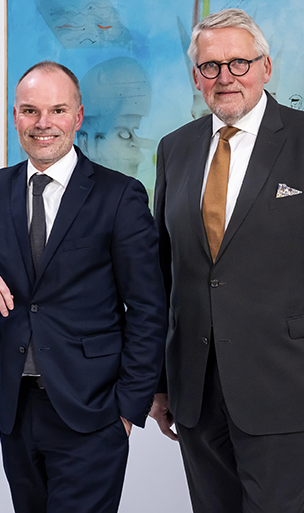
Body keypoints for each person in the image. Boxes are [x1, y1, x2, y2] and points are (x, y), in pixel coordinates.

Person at [0, 61, 166, 513]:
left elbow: (149, 309)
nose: (43, 124)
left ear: (77, 115)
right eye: (30, 111)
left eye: (57, 110)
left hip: (93, 409)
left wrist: (127, 409)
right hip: (17, 407)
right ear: (15, 116)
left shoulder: (120, 195)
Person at [151, 8, 304, 512]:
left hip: (285, 387)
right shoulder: (175, 149)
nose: (225, 77)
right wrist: (159, 383)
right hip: (195, 392)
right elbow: (163, 273)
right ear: (197, 77)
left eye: (239, 63)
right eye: (211, 66)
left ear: (266, 68)